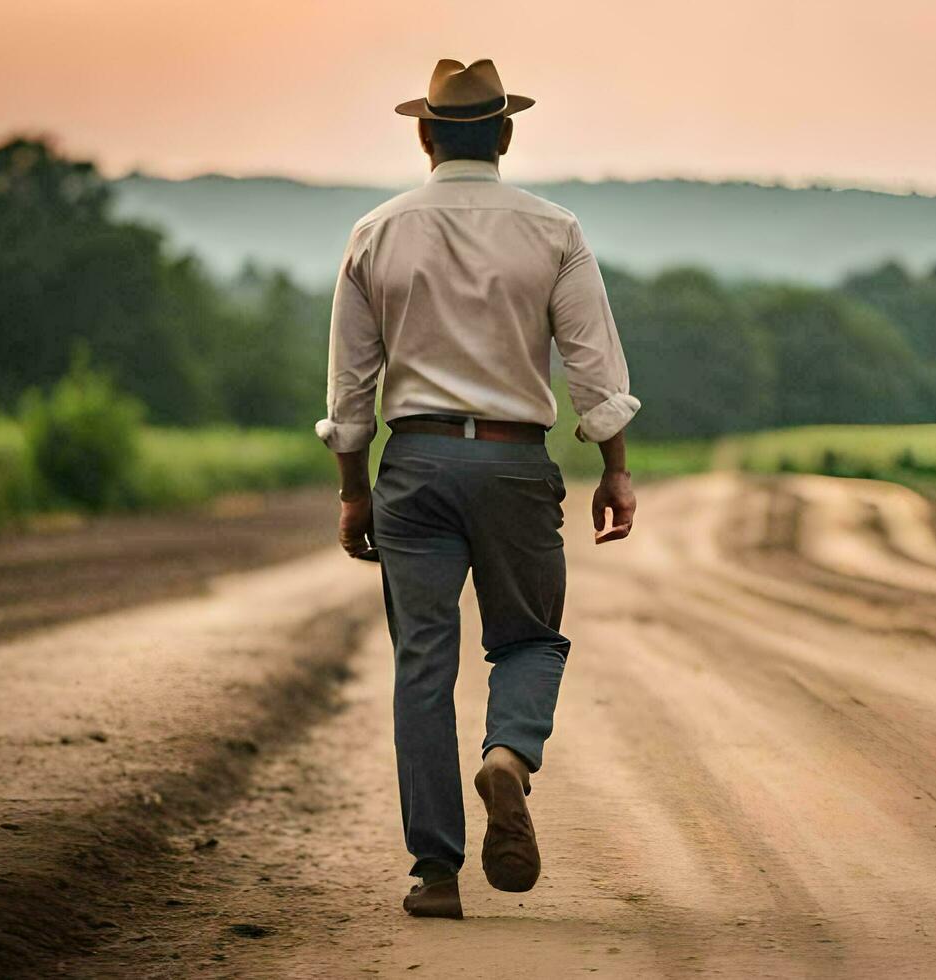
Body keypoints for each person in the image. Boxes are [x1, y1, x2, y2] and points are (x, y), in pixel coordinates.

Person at [315, 58, 639, 919]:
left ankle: (435, 872)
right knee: (530, 639)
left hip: (413, 467)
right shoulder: (554, 229)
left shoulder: (375, 231)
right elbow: (595, 369)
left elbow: (350, 392)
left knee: (423, 664)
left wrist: (354, 490)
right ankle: (508, 756)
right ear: (505, 134)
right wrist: (615, 469)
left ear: (425, 135)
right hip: (512, 462)